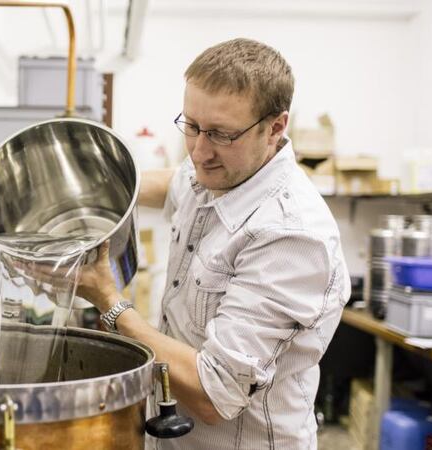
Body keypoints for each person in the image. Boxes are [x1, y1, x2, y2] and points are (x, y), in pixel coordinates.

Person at [77, 38, 351, 449]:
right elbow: (173, 183)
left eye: (221, 134)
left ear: (275, 127)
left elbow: (213, 393)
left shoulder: (290, 237)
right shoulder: (220, 170)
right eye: (191, 126)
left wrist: (109, 301)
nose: (200, 152)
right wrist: (89, 192)